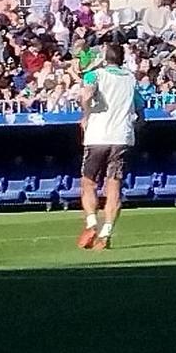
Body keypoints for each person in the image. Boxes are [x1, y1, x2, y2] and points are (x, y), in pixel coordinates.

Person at [73, 40, 137, 251]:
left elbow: (87, 94)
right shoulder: (131, 78)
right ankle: (106, 232)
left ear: (104, 56)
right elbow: (141, 111)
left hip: (98, 136)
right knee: (114, 186)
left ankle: (92, 222)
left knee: (88, 182)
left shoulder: (96, 75)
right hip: (121, 137)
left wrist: (86, 114)